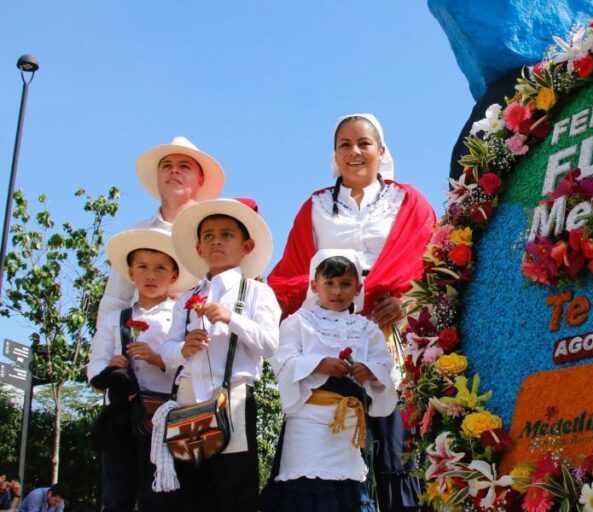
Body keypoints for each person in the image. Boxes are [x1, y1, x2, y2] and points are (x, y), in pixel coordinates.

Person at [268, 113, 435, 511]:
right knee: (325, 455)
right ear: (334, 154)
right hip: (327, 337)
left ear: (381, 150)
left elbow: (435, 263)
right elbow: (292, 274)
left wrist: (406, 302)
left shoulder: (408, 201)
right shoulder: (316, 206)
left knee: (397, 448)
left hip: (392, 336)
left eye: (363, 143)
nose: (354, 151)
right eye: (345, 144)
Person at [158, 198, 281, 511]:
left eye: (227, 234)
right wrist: (184, 348)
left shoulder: (257, 292)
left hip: (235, 399)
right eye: (208, 236)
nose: (216, 241)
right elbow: (167, 353)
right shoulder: (187, 297)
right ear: (199, 248)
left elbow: (270, 344)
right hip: (188, 400)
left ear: (246, 246)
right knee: (188, 493)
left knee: (234, 490)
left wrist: (231, 318)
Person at [262, 249, 397, 511]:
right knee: (306, 491)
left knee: (348, 492)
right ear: (315, 286)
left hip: (348, 427)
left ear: (358, 289)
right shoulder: (297, 322)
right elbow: (283, 361)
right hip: (307, 424)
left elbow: (386, 366)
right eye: (329, 283)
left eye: (345, 284)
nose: (337, 291)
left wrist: (369, 371)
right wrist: (320, 364)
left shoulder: (367, 328)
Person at [87, 229, 198, 512]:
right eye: (143, 267)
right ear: (131, 273)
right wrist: (110, 368)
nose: (151, 275)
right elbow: (95, 364)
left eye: (160, 268)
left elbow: (190, 365)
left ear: (174, 276)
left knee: (160, 497)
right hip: (122, 415)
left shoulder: (180, 317)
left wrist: (158, 359)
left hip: (162, 417)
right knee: (116, 496)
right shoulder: (116, 319)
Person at [97, 136, 225, 322]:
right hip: (138, 344)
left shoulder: (215, 238)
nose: (174, 171)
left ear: (201, 179)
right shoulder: (135, 234)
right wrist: (104, 350)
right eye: (166, 166)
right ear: (158, 176)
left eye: (184, 166)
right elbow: (114, 301)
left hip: (196, 345)